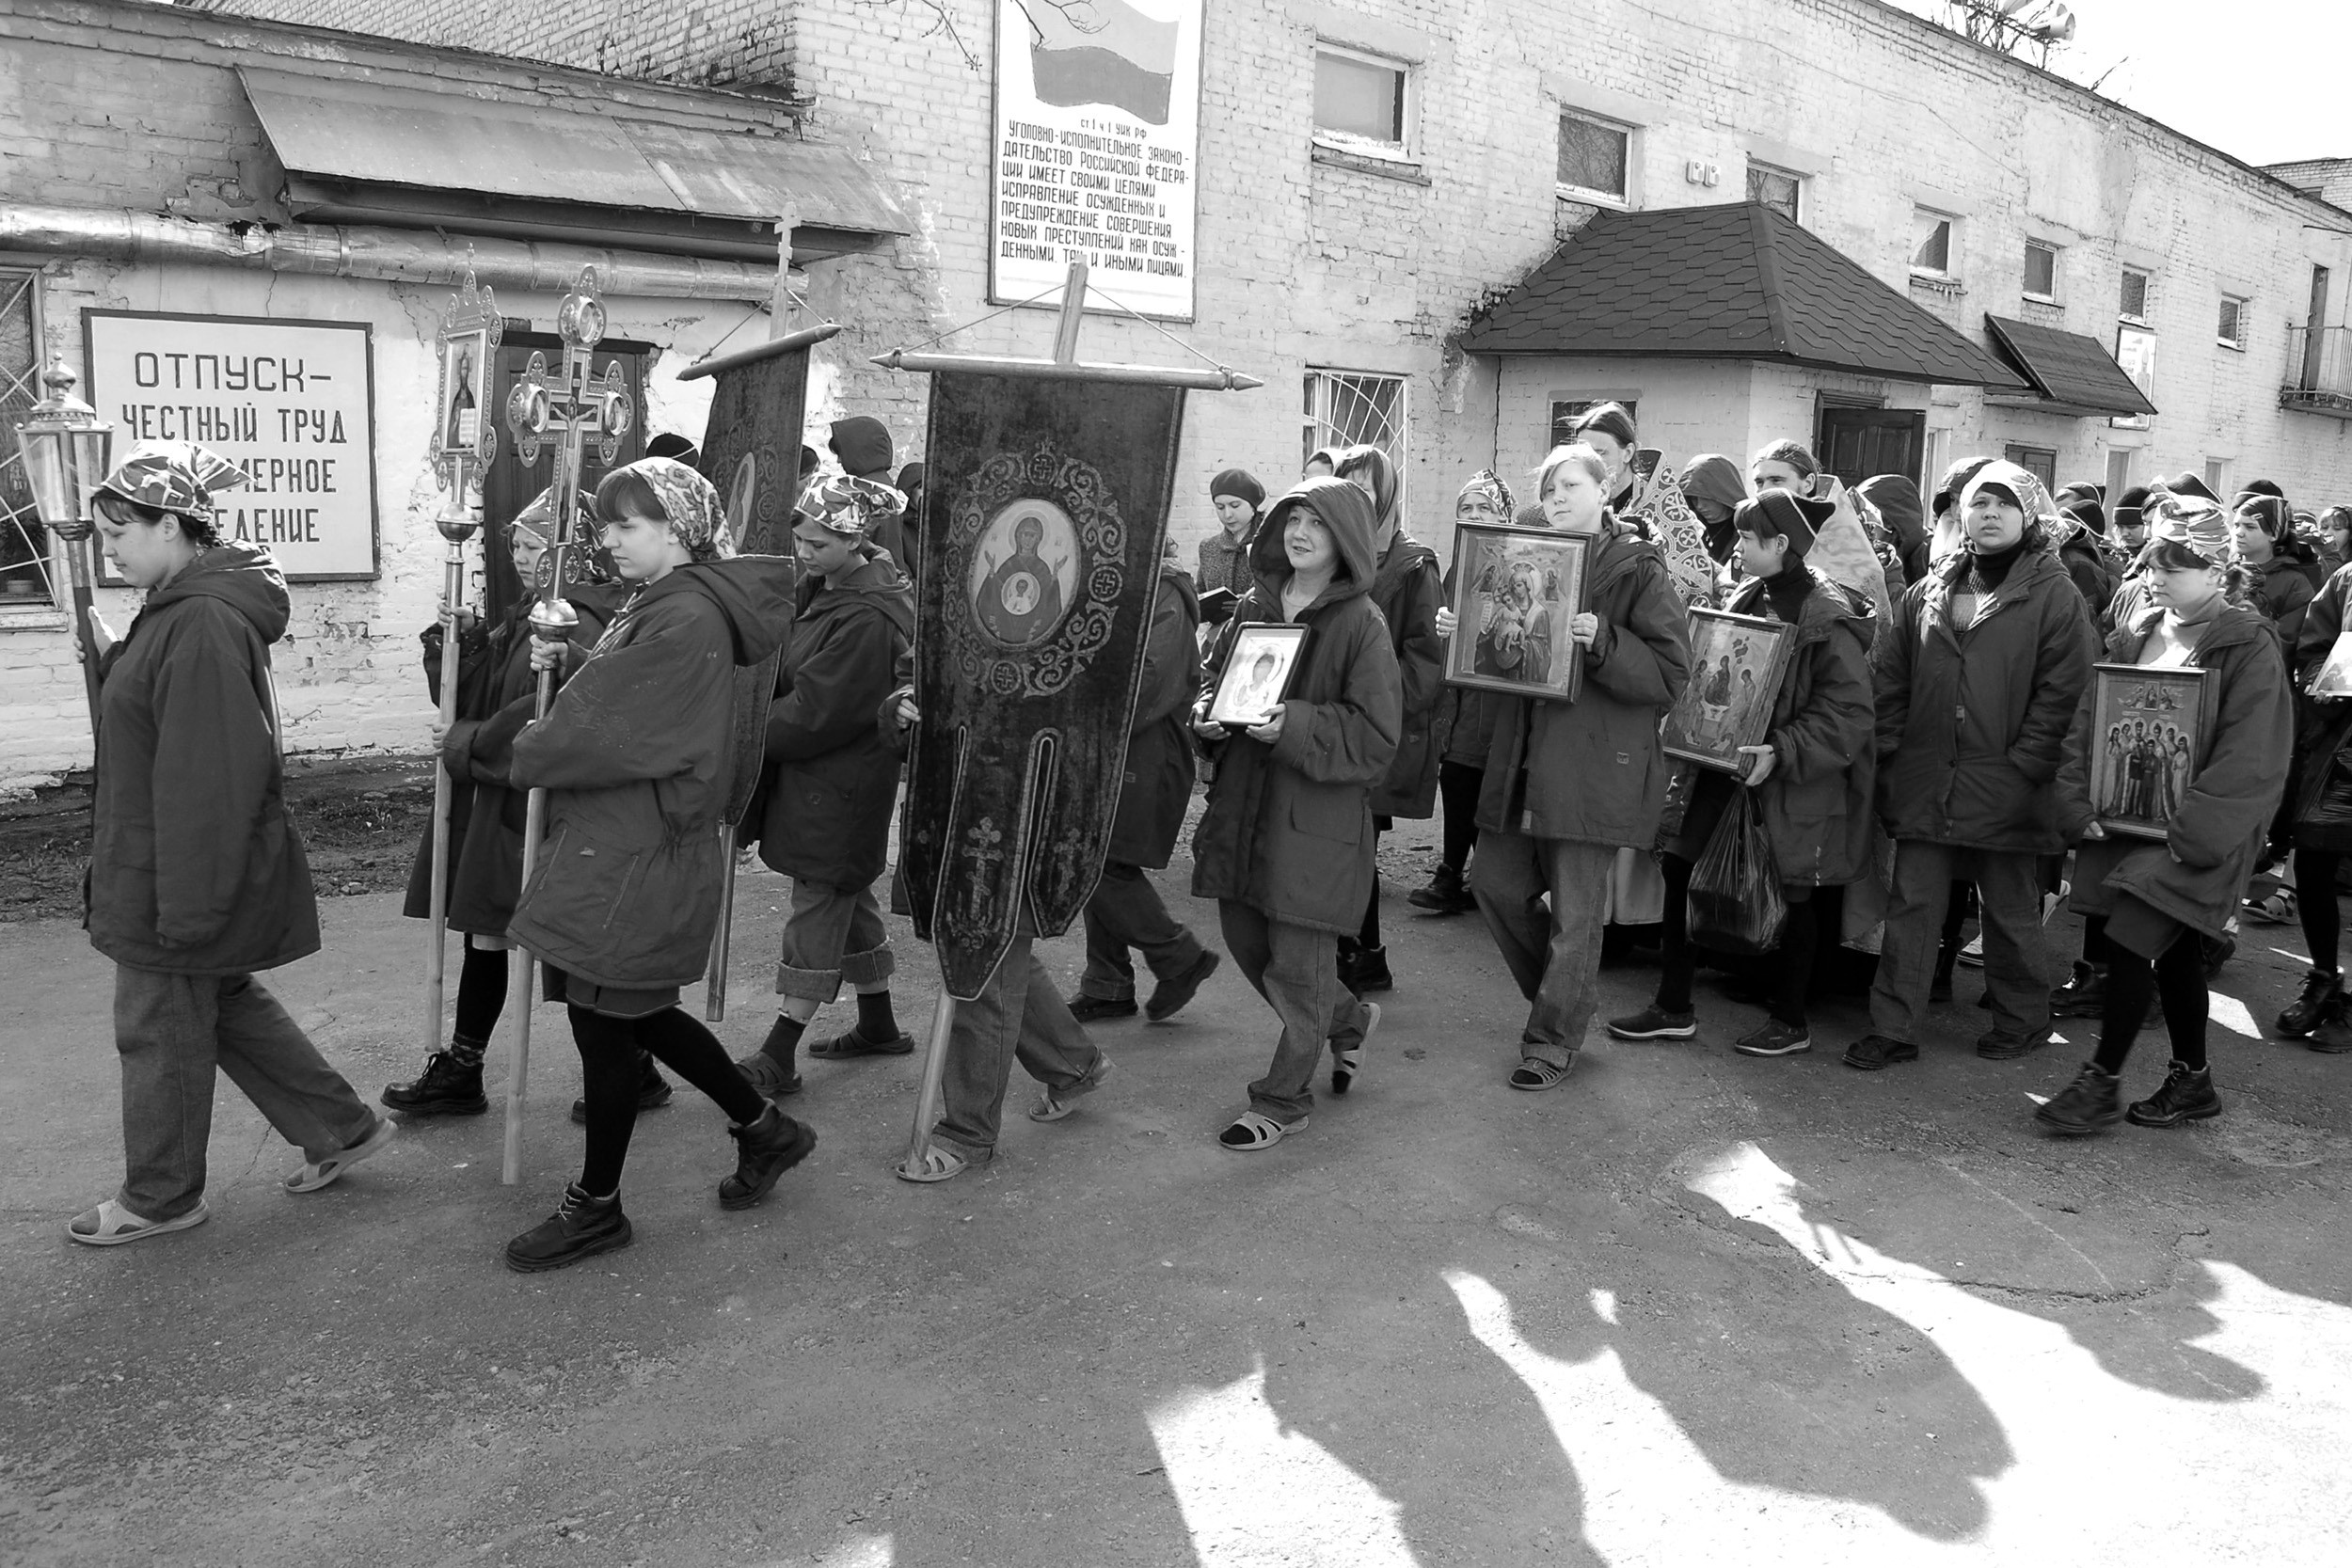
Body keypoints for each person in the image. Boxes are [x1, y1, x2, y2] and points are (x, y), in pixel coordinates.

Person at [69, 440, 395, 1244]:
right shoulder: (177, 609)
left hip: (171, 872)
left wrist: (187, 907)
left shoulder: (203, 621)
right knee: (222, 1000)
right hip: (159, 859)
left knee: (159, 1026)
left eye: (120, 532)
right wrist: (115, 661)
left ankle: (162, 1194)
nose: (109, 550)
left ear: (174, 524)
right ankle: (340, 1126)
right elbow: (158, 722)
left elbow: (212, 777)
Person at [500, 456, 813, 1272]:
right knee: (625, 1014)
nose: (608, 539)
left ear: (677, 531)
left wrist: (509, 746)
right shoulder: (666, 602)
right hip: (622, 841)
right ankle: (763, 1127)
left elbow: (612, 732)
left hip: (638, 850)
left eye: (625, 523)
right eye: (607, 522)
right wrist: (570, 665)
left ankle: (598, 1205)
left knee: (610, 1024)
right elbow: (625, 699)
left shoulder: (686, 617)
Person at [385, 488, 650, 1120]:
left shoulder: (581, 622)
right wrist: (462, 644)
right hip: (500, 800)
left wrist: (468, 743)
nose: (522, 555)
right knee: (489, 932)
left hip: (539, 801)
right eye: (519, 545)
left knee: (561, 945)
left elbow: (543, 711)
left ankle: (634, 1068)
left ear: (575, 554)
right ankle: (465, 1065)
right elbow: (476, 695)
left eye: (535, 545)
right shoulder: (529, 611)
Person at [2035, 503, 2292, 1133]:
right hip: (2125, 821)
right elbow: (2088, 725)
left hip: (2196, 833)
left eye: (2173, 565)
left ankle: (2100, 1083)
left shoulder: (2248, 645)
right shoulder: (2136, 631)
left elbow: (2251, 753)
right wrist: (2077, 799)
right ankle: (2194, 1080)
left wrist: (2193, 832)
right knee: (2170, 950)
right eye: (2151, 561)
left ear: (2216, 571)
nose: (2154, 574)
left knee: (2128, 940)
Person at [1846, 460, 2095, 1070]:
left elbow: (2066, 691)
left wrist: (2027, 767)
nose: (1988, 514)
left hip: (2009, 783)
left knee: (2009, 911)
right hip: (1930, 778)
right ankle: (1895, 1026)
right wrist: (1895, 753)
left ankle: (2023, 1018)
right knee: (1914, 906)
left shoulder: (2055, 595)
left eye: (2003, 505)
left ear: (2028, 517)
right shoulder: (1929, 589)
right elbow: (1892, 680)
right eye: (1979, 504)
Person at [1611, 490, 1874, 1056]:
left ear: (1780, 544)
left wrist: (1781, 748)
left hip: (1792, 779)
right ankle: (1673, 1006)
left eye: (1749, 540)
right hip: (1722, 768)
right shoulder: (1748, 595)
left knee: (1795, 897)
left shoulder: (1830, 618)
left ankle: (1791, 1019)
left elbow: (1849, 715)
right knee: (1680, 867)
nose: (1737, 549)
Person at [1471, 443, 1691, 1090]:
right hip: (1524, 758)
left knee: (1575, 915)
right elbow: (1500, 661)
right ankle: (1568, 1000)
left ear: (1606, 491)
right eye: (1549, 488)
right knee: (1494, 883)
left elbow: (1671, 676)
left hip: (1595, 764)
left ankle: (1552, 1038)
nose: (1558, 497)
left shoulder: (1638, 570)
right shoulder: (1522, 558)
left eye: (1571, 485)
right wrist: (1463, 630)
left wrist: (1605, 642)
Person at [1191, 478, 1400, 1139]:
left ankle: (1281, 1101)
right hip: (1241, 812)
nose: (1300, 531)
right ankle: (1348, 1019)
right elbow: (1213, 679)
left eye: (1318, 521)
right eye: (1292, 518)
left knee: (1300, 966)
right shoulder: (1255, 604)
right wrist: (1208, 714)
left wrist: (1297, 725)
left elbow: (1376, 737)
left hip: (1315, 825)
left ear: (1348, 539)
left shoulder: (1363, 624)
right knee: (1248, 943)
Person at [734, 474, 919, 1099]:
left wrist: (740, 734)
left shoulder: (866, 616)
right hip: (820, 782)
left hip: (839, 786)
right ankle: (878, 1022)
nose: (804, 551)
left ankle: (778, 1051)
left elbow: (817, 712)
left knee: (818, 902)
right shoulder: (824, 588)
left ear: (855, 537)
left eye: (818, 541)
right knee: (847, 893)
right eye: (801, 538)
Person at [1070, 539, 1220, 1023]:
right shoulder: (1105, 581)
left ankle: (1179, 957)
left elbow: (1151, 680)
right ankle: (1108, 983)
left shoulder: (1164, 591)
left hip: (1144, 749)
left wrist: (1082, 716)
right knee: (1099, 855)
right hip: (1108, 743)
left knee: (1101, 863)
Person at [1333, 444, 1441, 995]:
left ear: (1389, 493)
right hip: (1332, 726)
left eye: (1367, 484)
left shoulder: (1413, 565)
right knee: (1340, 840)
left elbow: (1426, 664)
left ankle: (1363, 954)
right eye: (1346, 481)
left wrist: (1370, 702)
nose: (1357, 493)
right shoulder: (1336, 554)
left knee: (1356, 841)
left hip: (1377, 728)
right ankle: (1355, 950)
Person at [1413, 470, 1517, 916]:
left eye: (1484, 508)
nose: (1474, 516)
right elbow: (1454, 622)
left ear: (1503, 512)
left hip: (1501, 695)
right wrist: (1446, 626)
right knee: (1456, 775)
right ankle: (1453, 873)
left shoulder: (1524, 559)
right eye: (1466, 509)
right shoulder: (1462, 562)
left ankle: (1483, 878)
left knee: (1483, 782)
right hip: (1461, 693)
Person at [2268, 542, 2352, 1052]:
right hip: (2337, 749)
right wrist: (2321, 684)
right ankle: (2325, 978)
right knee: (2317, 868)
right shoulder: (2345, 579)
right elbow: (2312, 645)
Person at [826, 416, 912, 568]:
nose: (839, 461)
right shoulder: (877, 486)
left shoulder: (873, 492)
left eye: (842, 454)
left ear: (859, 450)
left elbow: (883, 550)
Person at [2233, 493, 2313, 646]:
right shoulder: (2221, 572)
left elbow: (2287, 641)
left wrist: (2256, 607)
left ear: (2274, 535)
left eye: (2250, 527)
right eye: (2236, 525)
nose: (2239, 533)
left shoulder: (2294, 583)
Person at [1197, 468, 1263, 625]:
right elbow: (1200, 592)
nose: (1227, 515)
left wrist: (1250, 606)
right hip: (1216, 641)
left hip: (1256, 640)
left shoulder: (1268, 546)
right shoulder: (1209, 547)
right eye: (1220, 507)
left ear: (1253, 508)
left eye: (1235, 505)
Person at [1855, 473, 1930, 586]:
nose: (1861, 523)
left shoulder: (1929, 554)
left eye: (1867, 516)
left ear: (1890, 521)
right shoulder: (1866, 551)